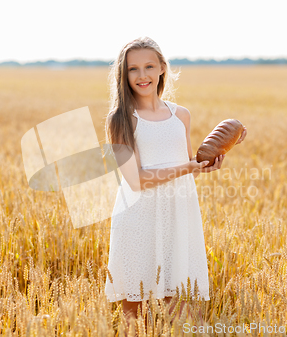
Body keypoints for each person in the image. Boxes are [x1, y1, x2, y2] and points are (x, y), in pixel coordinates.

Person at [103, 36, 247, 329]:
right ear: (123, 74)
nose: (142, 75)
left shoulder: (180, 115)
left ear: (162, 69)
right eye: (133, 69)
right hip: (138, 215)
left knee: (180, 304)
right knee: (134, 307)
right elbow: (135, 180)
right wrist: (186, 167)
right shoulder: (120, 119)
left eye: (148, 66)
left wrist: (208, 162)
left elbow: (185, 170)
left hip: (179, 213)